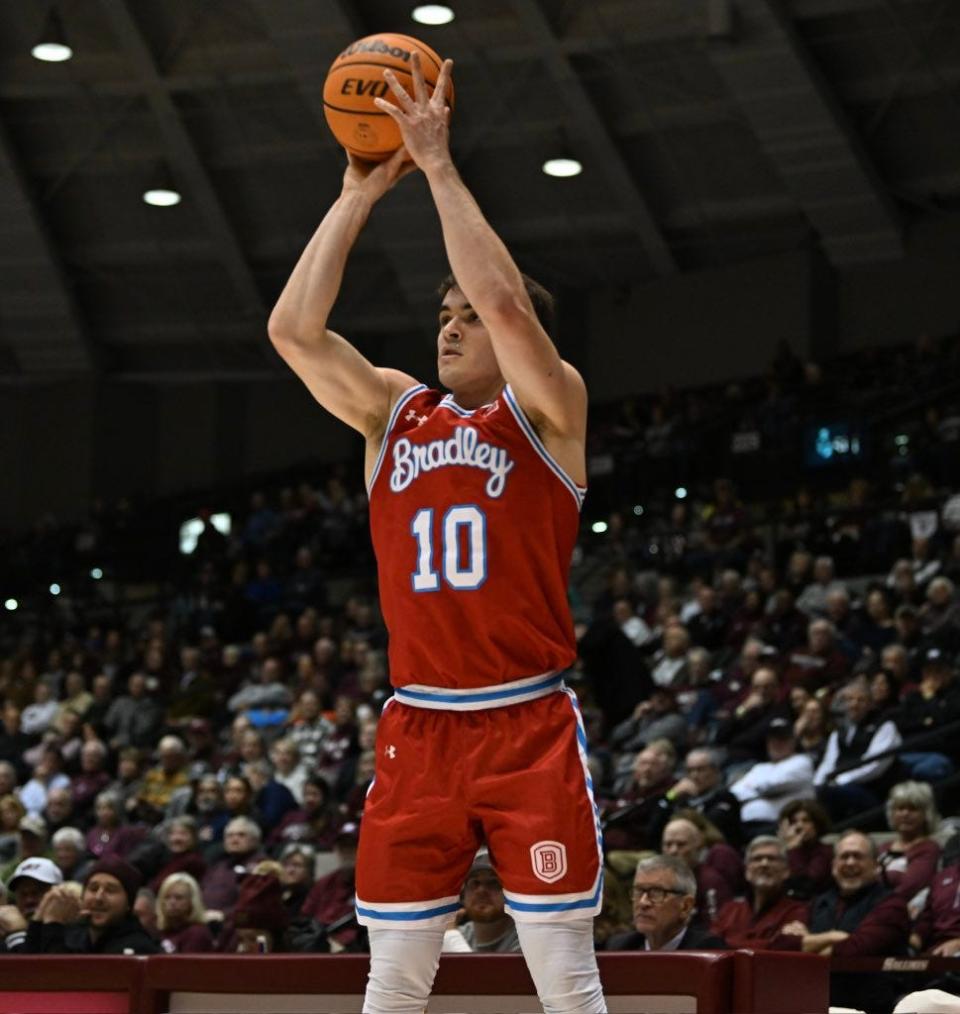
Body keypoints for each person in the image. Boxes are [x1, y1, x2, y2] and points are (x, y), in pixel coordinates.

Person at [268, 51, 604, 1013]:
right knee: (396, 975)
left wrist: (441, 167)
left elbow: (504, 299)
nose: (450, 327)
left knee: (565, 974)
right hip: (419, 722)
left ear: (519, 343)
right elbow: (294, 334)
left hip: (527, 720)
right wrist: (357, 195)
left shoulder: (550, 410)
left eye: (468, 318)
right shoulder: (392, 412)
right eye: (442, 314)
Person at [22, 855, 161, 954]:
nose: (99, 897)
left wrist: (53, 923)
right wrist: (38, 918)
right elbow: (26, 974)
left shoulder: (137, 947)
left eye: (111, 890)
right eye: (93, 888)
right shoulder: (76, 934)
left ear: (128, 904)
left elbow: (61, 980)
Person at [814, 677, 902, 821]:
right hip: (837, 789)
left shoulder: (885, 726)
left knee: (829, 795)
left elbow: (875, 765)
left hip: (871, 791)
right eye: (849, 700)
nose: (854, 704)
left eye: (861, 700)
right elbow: (828, 763)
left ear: (870, 704)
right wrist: (817, 785)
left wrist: (841, 781)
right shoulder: (839, 732)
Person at [604, 855, 724, 950]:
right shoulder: (620, 947)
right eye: (639, 891)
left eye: (656, 893)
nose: (643, 902)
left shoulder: (708, 950)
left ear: (686, 906)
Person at [711, 835, 808, 949]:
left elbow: (784, 946)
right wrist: (767, 943)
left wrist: (726, 944)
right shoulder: (729, 909)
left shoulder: (796, 911)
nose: (764, 863)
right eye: (757, 858)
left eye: (772, 858)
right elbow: (710, 944)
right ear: (747, 871)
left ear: (786, 871)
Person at [729, 717, 815, 837]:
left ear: (793, 741)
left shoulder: (801, 761)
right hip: (746, 824)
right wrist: (757, 789)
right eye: (772, 739)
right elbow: (734, 793)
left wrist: (751, 787)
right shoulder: (759, 768)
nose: (776, 743)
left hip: (780, 825)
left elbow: (771, 786)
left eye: (782, 739)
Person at [446, 847, 520, 953]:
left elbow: (472, 970)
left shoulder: (526, 939)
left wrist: (450, 936)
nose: (481, 891)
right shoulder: (461, 934)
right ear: (462, 895)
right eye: (474, 882)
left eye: (493, 883)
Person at [0, 856, 63, 953]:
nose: (29, 900)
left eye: (37, 892)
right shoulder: (5, 935)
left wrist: (18, 933)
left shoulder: (72, 936)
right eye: (23, 894)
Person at [156, 872, 215, 953]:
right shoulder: (160, 931)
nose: (172, 902)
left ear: (192, 902)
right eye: (167, 897)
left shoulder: (197, 934)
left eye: (179, 898)